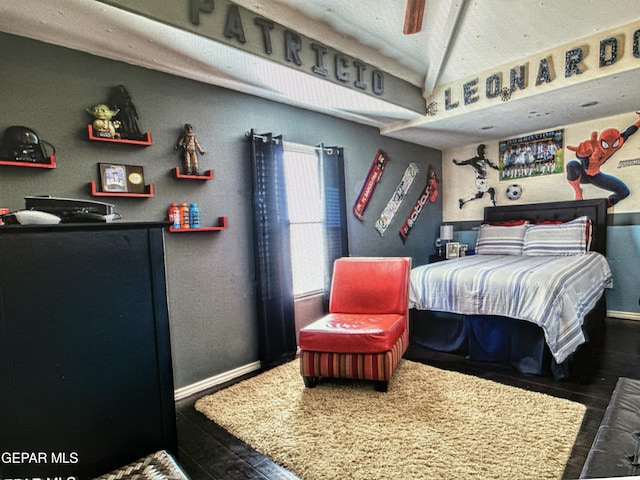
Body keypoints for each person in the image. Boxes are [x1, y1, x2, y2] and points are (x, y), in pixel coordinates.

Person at [566, 112, 640, 206]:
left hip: (596, 176)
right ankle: (577, 191)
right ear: (600, 142)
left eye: (613, 145)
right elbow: (582, 157)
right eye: (605, 145)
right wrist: (581, 154)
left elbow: (629, 132)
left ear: (617, 141)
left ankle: (607, 204)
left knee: (624, 192)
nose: (609, 148)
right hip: (583, 175)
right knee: (571, 164)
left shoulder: (619, 142)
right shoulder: (594, 147)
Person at [452, 144, 499, 208]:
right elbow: (463, 162)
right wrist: (457, 163)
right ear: (479, 151)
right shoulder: (473, 160)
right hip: (479, 180)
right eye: (482, 151)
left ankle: (463, 201)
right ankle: (494, 204)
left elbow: (492, 165)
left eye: (484, 151)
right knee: (491, 190)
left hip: (484, 179)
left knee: (480, 195)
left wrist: (499, 169)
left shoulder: (485, 160)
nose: (484, 153)